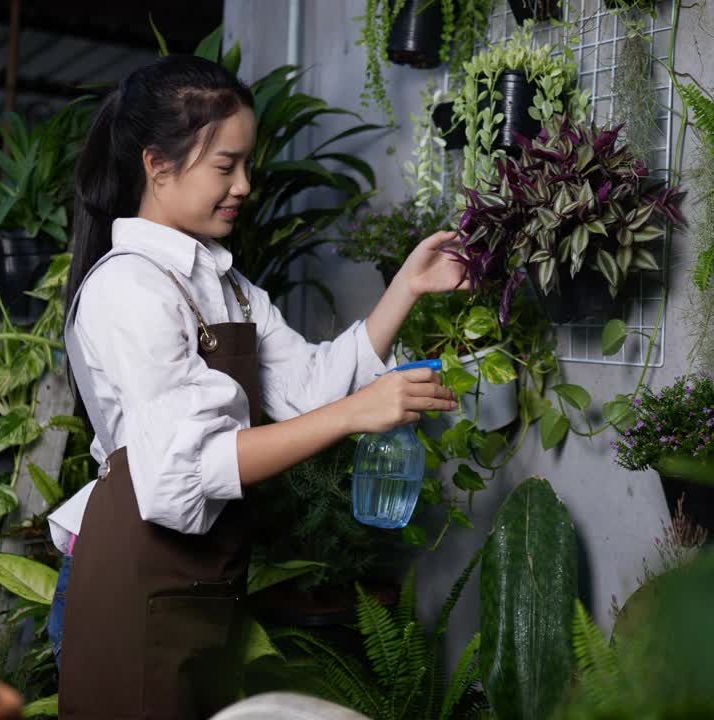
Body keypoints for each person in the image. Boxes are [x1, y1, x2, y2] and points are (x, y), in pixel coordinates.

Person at [45, 54, 464, 720]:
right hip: (132, 587)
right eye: (225, 166)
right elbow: (190, 467)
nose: (244, 185)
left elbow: (307, 386)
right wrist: (356, 414)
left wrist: (404, 290)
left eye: (248, 166)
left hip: (203, 585)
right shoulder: (129, 288)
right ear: (158, 165)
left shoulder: (225, 283)